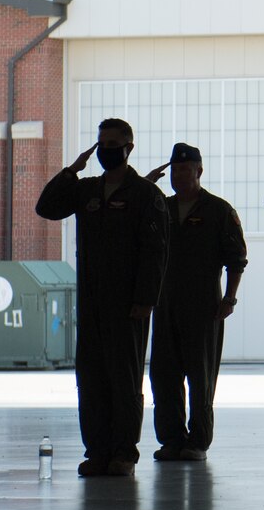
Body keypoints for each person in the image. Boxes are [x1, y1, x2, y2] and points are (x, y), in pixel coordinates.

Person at [35, 118, 168, 477]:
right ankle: (97, 451)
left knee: (124, 380)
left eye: (114, 143)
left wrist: (146, 300)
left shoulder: (145, 194)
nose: (107, 149)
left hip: (128, 304)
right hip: (92, 301)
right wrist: (71, 171)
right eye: (102, 143)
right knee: (91, 379)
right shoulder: (87, 189)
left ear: (129, 147)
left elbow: (155, 252)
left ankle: (124, 453)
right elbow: (46, 208)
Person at [142, 143, 247, 462]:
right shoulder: (162, 208)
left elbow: (237, 259)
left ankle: (197, 441)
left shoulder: (218, 210)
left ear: (199, 171)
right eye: (174, 170)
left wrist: (230, 297)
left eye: (185, 169)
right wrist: (146, 185)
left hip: (204, 305)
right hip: (165, 302)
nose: (178, 175)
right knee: (163, 374)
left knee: (201, 375)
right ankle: (172, 438)